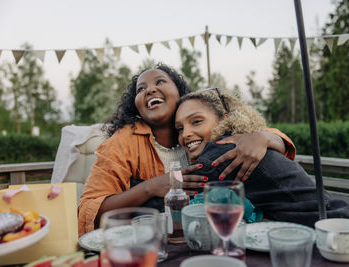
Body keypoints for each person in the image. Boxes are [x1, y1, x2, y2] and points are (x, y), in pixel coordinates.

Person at [78, 63, 295, 236]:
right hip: (160, 240)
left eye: (160, 81)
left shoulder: (205, 125)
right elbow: (89, 208)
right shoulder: (122, 142)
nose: (150, 89)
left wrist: (262, 137)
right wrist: (151, 187)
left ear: (180, 93)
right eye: (140, 89)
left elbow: (271, 138)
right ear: (136, 106)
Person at [174, 87, 349, 252]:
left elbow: (174, 190)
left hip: (347, 237)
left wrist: (151, 187)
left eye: (196, 122)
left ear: (223, 119)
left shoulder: (220, 152)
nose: (185, 134)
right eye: (179, 128)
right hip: (341, 228)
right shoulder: (243, 141)